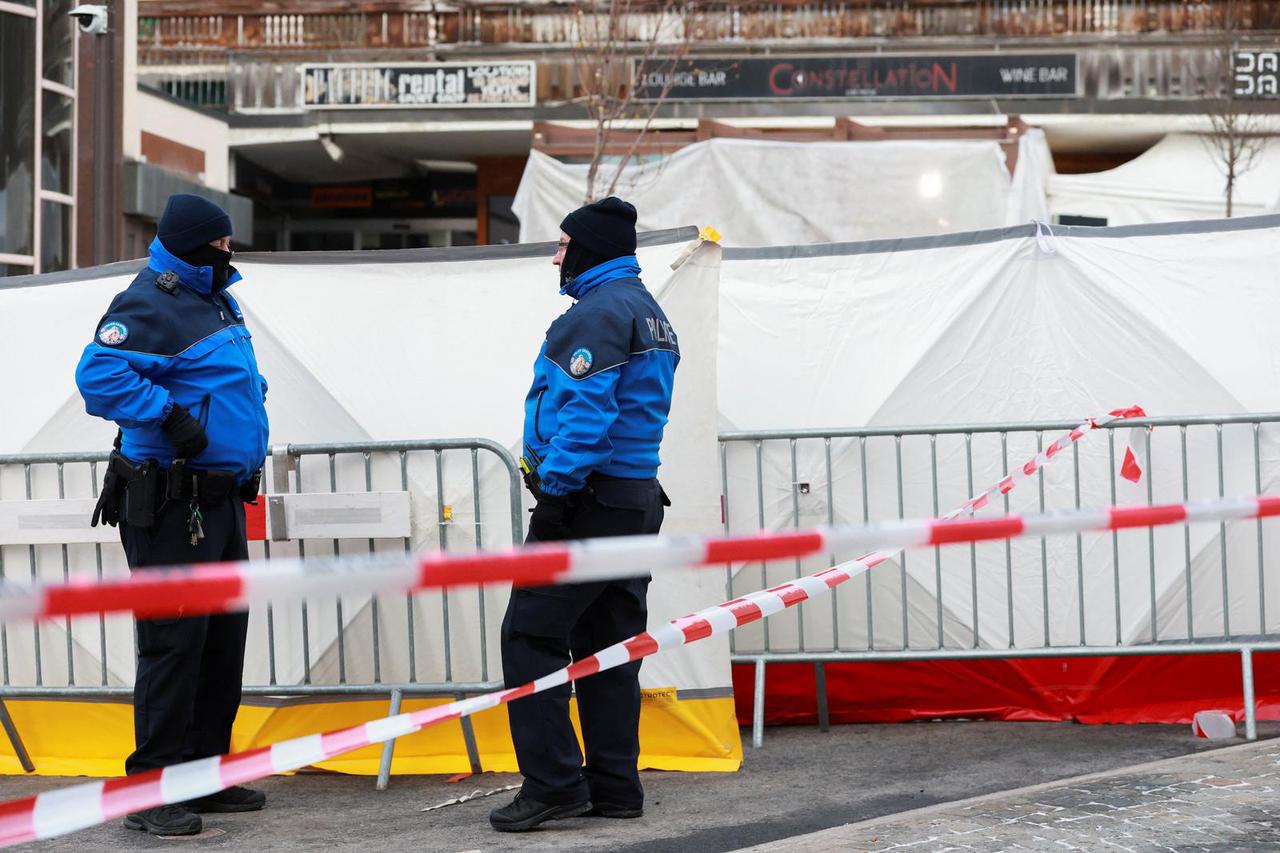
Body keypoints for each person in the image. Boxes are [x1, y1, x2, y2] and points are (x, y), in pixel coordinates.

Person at [74, 194, 270, 837]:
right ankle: (150, 789)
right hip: (169, 502)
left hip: (216, 499)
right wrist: (168, 415)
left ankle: (202, 775)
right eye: (220, 243)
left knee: (220, 642)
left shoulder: (212, 295)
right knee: (173, 646)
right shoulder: (151, 300)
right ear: (194, 244)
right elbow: (98, 377)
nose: (229, 251)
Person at [490, 197, 679, 833]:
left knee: (531, 637)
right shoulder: (649, 313)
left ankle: (552, 785)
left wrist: (559, 490)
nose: (556, 256)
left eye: (565, 246)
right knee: (611, 645)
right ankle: (615, 788)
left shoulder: (597, 314)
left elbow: (585, 412)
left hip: (587, 500)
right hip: (634, 497)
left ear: (593, 248)